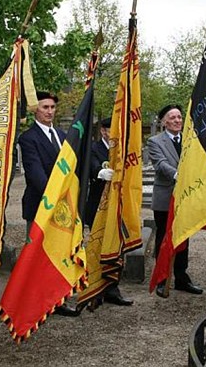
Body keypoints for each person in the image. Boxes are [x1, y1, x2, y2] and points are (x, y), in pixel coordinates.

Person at [18, 91, 79, 317]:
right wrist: (54, 196)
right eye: (45, 107)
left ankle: (57, 300)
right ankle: (32, 302)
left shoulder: (63, 136)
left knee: (57, 254)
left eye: (52, 107)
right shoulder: (28, 138)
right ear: (36, 110)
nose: (50, 112)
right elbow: (35, 173)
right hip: (40, 204)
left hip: (62, 206)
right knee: (36, 255)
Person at [148, 104, 203, 298]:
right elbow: (160, 164)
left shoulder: (190, 139)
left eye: (179, 117)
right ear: (164, 122)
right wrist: (179, 174)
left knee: (184, 236)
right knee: (164, 238)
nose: (177, 120)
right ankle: (163, 277)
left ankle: (181, 276)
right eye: (172, 118)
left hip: (185, 196)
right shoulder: (155, 141)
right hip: (166, 198)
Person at [85, 117, 133, 306]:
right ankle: (95, 287)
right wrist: (99, 172)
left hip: (119, 206)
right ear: (104, 131)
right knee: (98, 246)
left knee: (116, 247)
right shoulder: (94, 148)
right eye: (110, 130)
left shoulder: (122, 150)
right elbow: (92, 166)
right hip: (98, 205)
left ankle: (113, 287)